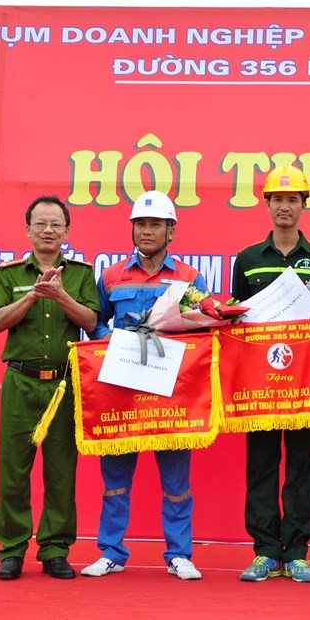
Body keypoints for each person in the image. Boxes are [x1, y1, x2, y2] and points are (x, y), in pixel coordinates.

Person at [80, 190, 205, 581]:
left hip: (170, 391)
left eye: (155, 225)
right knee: (115, 478)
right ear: (132, 229)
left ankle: (179, 555)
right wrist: (115, 339)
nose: (147, 231)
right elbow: (94, 324)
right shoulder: (111, 277)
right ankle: (111, 552)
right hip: (122, 388)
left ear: (171, 231)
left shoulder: (190, 278)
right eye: (140, 224)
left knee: (176, 480)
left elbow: (202, 328)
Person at [0, 195, 100, 580]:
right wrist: (33, 294)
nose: (48, 230)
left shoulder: (81, 274)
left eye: (56, 224)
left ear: (67, 232)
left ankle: (55, 550)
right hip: (20, 382)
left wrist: (61, 295)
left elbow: (90, 322)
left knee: (62, 473)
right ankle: (12, 550)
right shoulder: (9, 274)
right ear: (28, 229)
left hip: (63, 386)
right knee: (13, 472)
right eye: (40, 224)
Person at [232, 163, 310, 583]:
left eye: (293, 199)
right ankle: (264, 552)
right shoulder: (247, 260)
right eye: (278, 199)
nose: (285, 207)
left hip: (305, 382)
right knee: (260, 465)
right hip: (259, 381)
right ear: (267, 204)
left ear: (303, 205)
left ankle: (296, 553)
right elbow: (236, 320)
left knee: (300, 467)